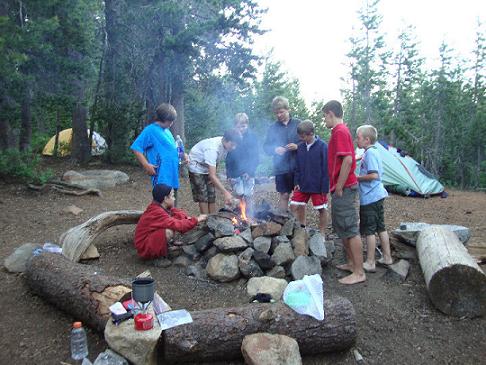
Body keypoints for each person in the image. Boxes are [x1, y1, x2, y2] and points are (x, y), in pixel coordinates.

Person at [323, 100, 365, 285]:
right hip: (341, 188)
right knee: (342, 228)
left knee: (350, 229)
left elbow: (348, 160)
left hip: (345, 188)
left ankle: (359, 271)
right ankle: (350, 263)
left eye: (325, 116)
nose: (324, 120)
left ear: (331, 113)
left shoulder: (340, 131)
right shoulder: (339, 131)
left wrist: (339, 186)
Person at [134, 184, 207, 266]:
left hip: (147, 240)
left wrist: (188, 218)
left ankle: (162, 248)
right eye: (172, 196)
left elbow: (177, 213)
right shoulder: (157, 212)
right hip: (144, 247)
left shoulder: (160, 207)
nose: (174, 198)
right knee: (168, 231)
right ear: (165, 199)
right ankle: (153, 258)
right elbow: (179, 226)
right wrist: (197, 220)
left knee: (174, 218)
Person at [356, 125, 393, 272]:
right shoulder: (372, 151)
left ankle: (370, 262)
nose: (356, 140)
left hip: (370, 197)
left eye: (358, 137)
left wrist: (357, 178)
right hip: (378, 195)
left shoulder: (370, 154)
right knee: (381, 227)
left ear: (366, 139)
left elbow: (373, 175)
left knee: (369, 230)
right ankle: (387, 257)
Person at [130, 103, 182, 204]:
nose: (172, 123)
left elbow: (172, 149)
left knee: (173, 205)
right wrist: (146, 165)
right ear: (164, 119)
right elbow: (136, 147)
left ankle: (173, 220)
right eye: (170, 120)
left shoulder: (167, 131)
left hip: (172, 175)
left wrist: (182, 155)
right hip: (161, 177)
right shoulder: (150, 130)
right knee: (163, 206)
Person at [290, 120, 329, 236]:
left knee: (321, 209)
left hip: (318, 185)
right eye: (300, 137)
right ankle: (301, 229)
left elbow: (326, 168)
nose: (302, 139)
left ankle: (322, 234)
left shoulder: (323, 147)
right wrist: (296, 181)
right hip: (302, 184)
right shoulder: (301, 147)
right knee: (294, 205)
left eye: (303, 136)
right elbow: (297, 166)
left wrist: (325, 187)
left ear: (311, 133)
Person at [188, 130, 241, 214]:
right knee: (203, 195)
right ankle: (205, 220)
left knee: (211, 194)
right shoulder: (212, 148)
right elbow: (212, 176)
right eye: (232, 144)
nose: (233, 147)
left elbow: (216, 162)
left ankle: (213, 218)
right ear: (226, 140)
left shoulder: (226, 145)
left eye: (235, 145)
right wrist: (226, 193)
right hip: (196, 165)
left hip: (206, 165)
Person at [263, 96, 301, 212]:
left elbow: (309, 142)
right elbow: (266, 147)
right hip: (281, 168)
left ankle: (300, 226)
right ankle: (283, 222)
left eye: (281, 112)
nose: (279, 115)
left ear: (288, 109)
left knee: (299, 197)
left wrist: (297, 146)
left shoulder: (298, 124)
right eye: (276, 113)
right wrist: (275, 149)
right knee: (284, 195)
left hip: (297, 167)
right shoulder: (272, 128)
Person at [226, 113, 260, 217]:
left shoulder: (252, 137)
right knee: (239, 193)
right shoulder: (233, 137)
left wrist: (250, 172)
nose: (241, 128)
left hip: (249, 171)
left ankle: (250, 216)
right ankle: (240, 215)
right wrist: (229, 175)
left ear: (247, 125)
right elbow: (228, 157)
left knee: (249, 195)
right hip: (235, 172)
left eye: (243, 126)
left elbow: (256, 156)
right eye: (238, 126)